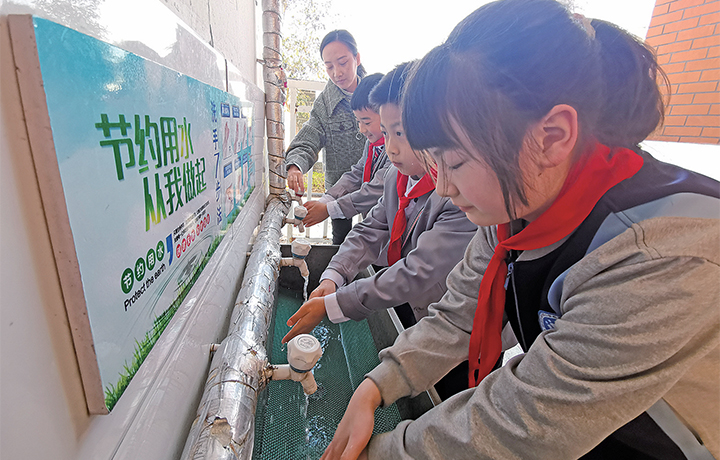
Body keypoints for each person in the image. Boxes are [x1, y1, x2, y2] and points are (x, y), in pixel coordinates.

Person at [321, 1, 720, 459]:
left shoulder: (660, 257)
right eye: (434, 162)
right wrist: (377, 385)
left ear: (551, 136)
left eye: (456, 162)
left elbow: (527, 423)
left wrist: (378, 453)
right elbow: (458, 314)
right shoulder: (515, 212)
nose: (444, 187)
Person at [282, 62, 476, 361]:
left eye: (400, 132)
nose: (391, 148)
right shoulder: (397, 177)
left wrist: (336, 304)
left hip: (456, 327)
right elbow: (369, 229)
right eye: (386, 133)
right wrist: (332, 277)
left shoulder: (459, 196)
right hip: (410, 302)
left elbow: (417, 270)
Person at [285, 30, 367, 244]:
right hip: (339, 188)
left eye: (343, 62)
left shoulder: (376, 94)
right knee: (340, 240)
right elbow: (309, 138)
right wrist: (295, 166)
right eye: (329, 66)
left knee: (377, 234)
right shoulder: (324, 103)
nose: (337, 72)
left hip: (376, 187)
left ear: (357, 58)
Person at [302, 72, 391, 228]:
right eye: (358, 122)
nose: (362, 129)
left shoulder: (396, 150)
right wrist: (327, 199)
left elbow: (377, 188)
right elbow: (357, 173)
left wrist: (330, 209)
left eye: (367, 122)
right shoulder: (373, 144)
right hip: (375, 223)